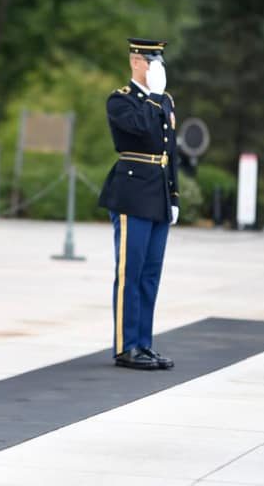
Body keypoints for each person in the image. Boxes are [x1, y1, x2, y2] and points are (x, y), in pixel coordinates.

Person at [98, 38, 180, 370]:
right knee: (129, 273)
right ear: (136, 62)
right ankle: (125, 345)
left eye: (160, 62)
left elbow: (169, 149)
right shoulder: (121, 101)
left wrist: (174, 195)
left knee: (150, 275)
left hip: (158, 193)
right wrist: (154, 97)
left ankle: (144, 343)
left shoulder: (165, 100)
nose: (157, 68)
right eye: (151, 62)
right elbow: (141, 129)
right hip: (132, 192)